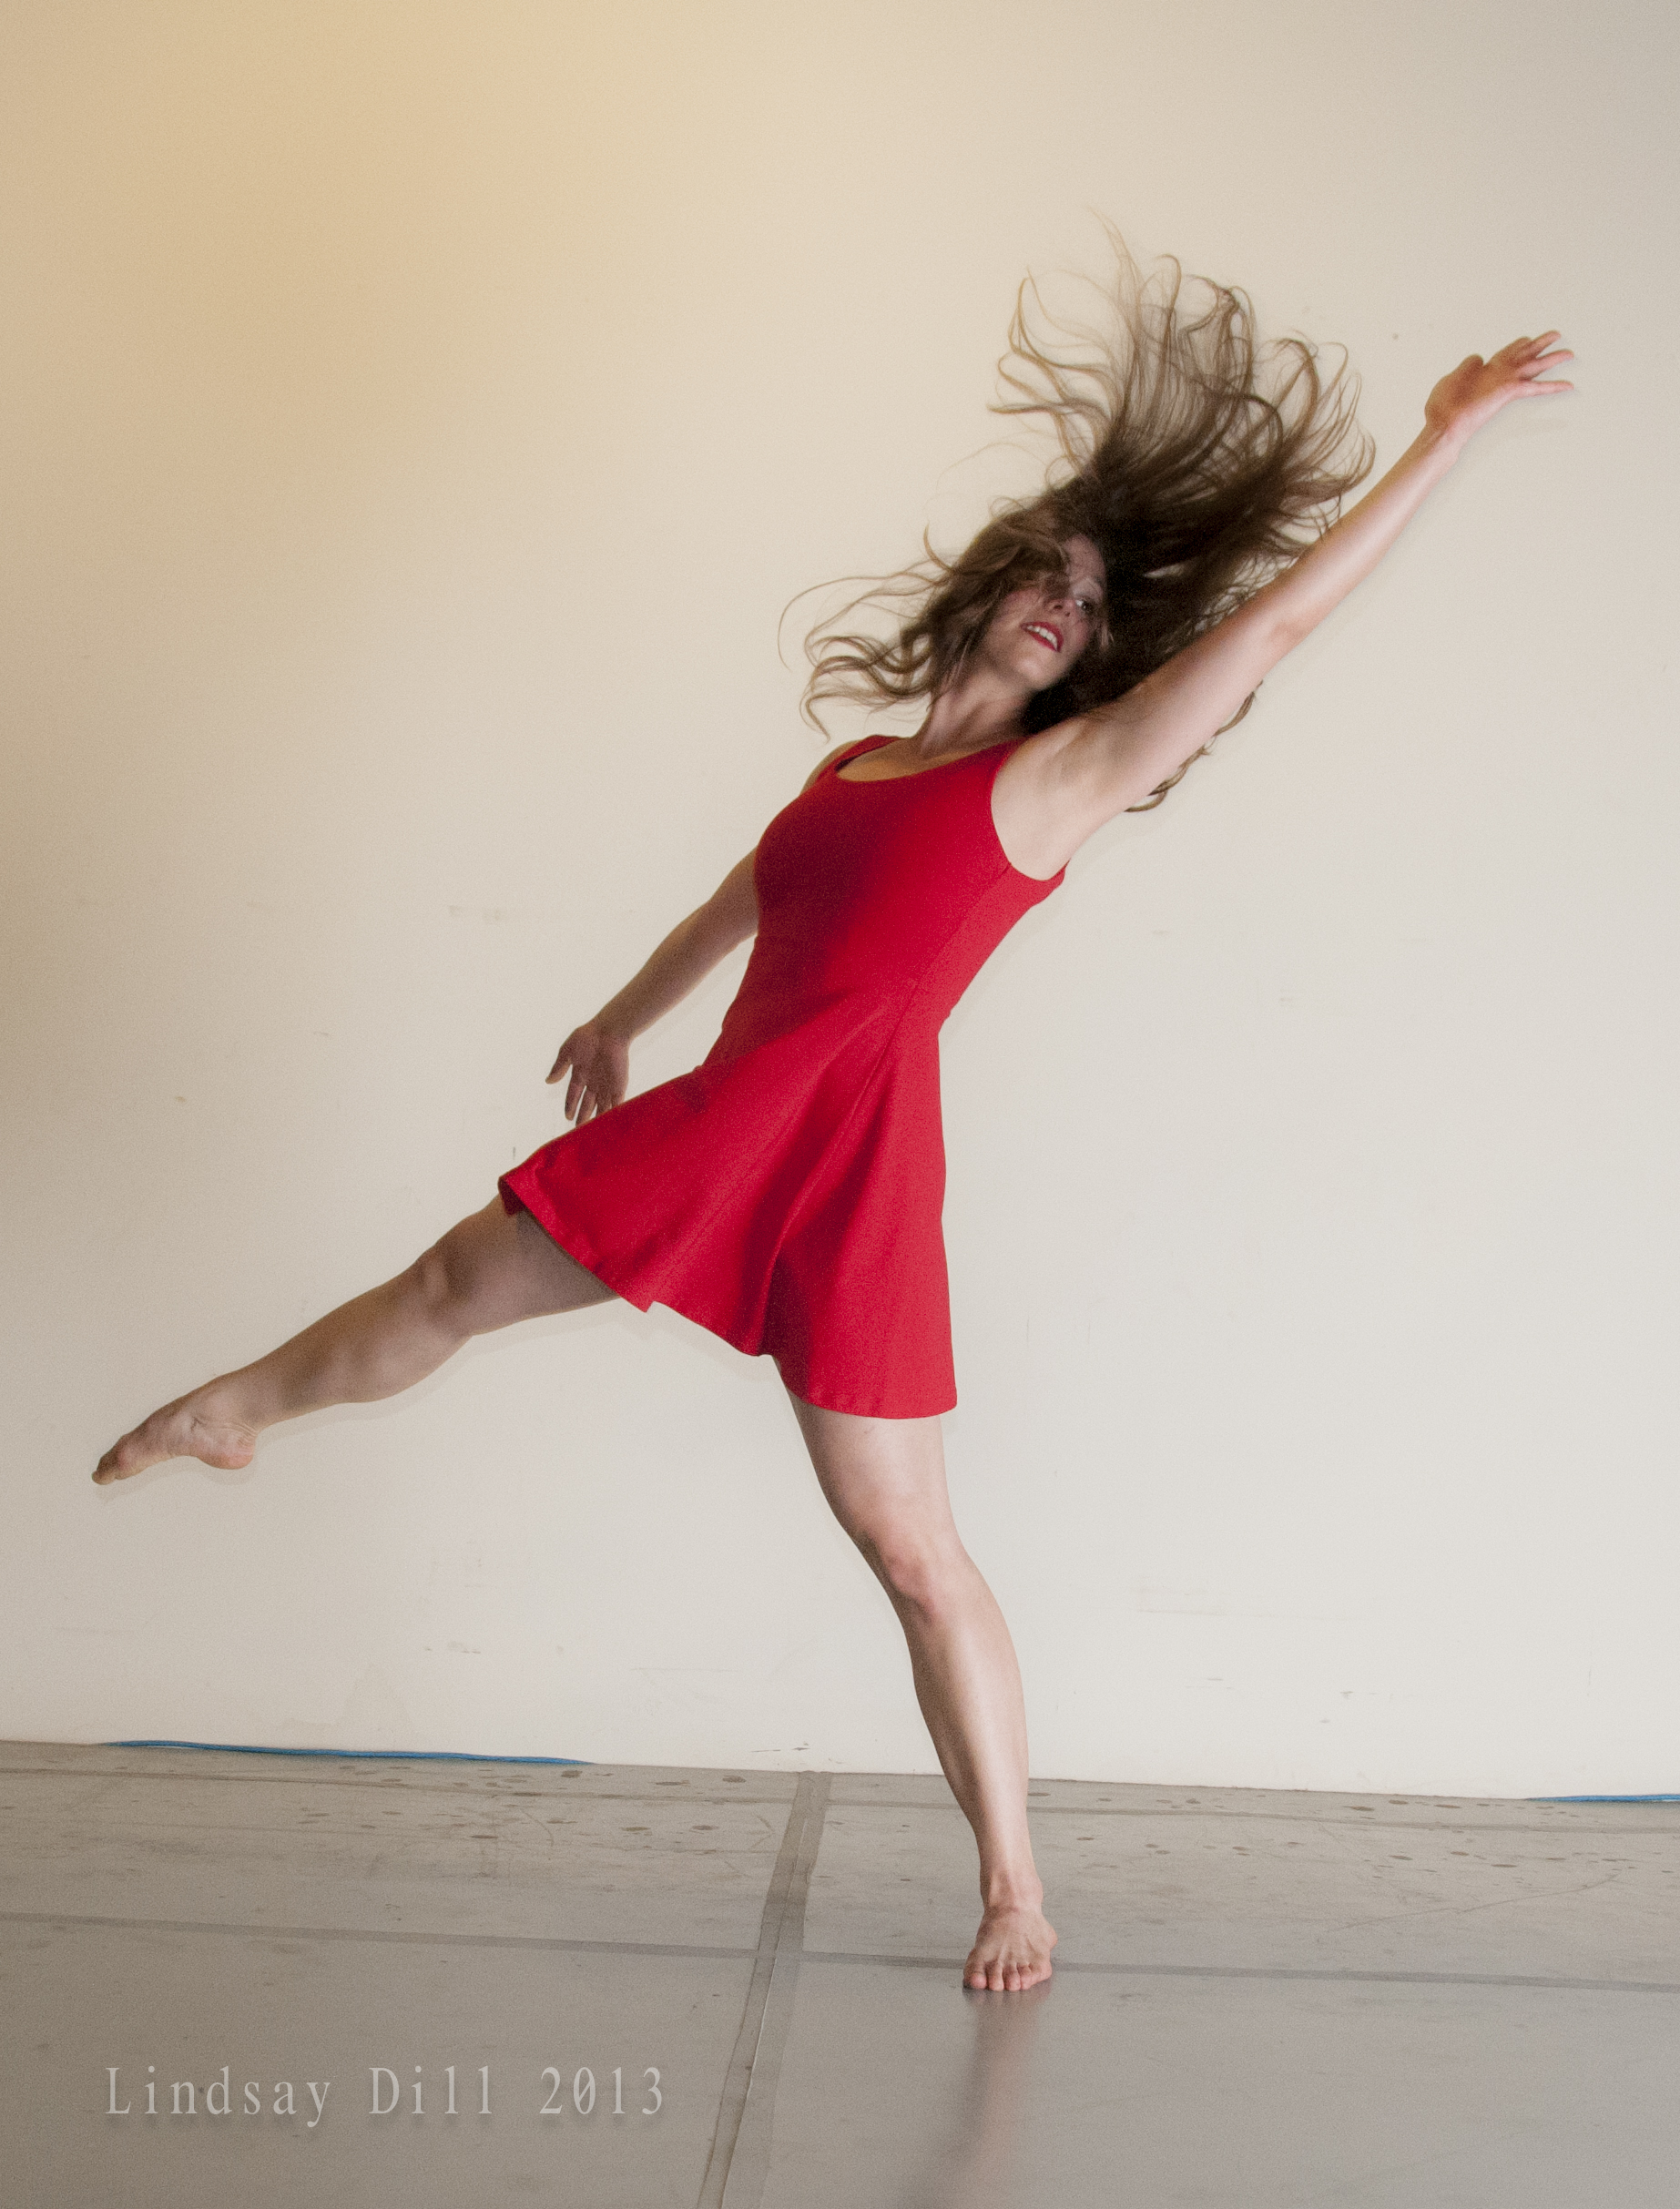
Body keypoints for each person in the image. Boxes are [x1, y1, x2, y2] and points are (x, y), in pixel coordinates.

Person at [93, 245, 1572, 1993]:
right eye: (1045, 571)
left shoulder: (1056, 778)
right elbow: (743, 898)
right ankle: (235, 1408)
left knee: (908, 1548)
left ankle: (1014, 1886)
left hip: (855, 1165)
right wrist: (618, 1018)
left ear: (1104, 653)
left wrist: (1442, 435)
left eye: (1091, 602)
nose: (1062, 604)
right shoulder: (857, 766)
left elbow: (1277, 630)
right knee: (446, 1284)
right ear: (987, 581)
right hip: (728, 1119)